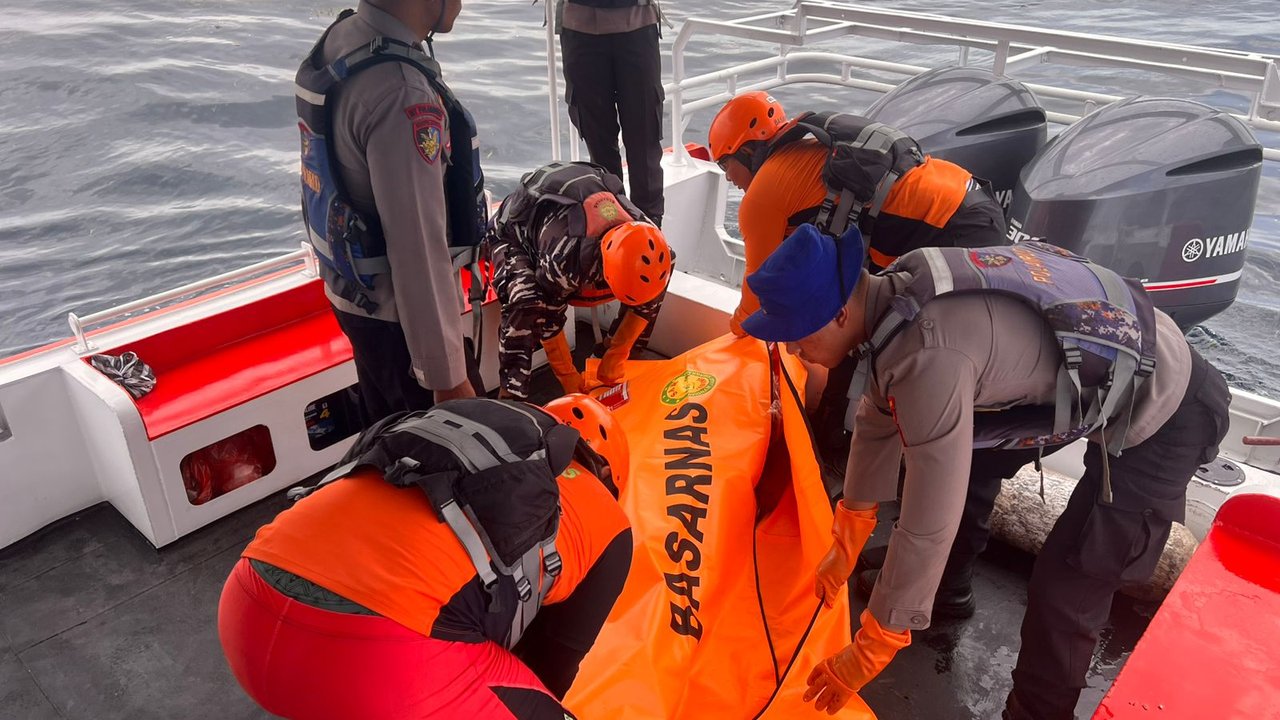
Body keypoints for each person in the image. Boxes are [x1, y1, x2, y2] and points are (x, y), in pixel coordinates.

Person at [739, 225, 1231, 719]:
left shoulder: (930, 352)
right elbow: (878, 409)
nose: (793, 350)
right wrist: (848, 534)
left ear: (839, 314)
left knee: (1067, 586)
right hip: (1104, 372)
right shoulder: (897, 291)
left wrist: (879, 637)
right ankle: (948, 592)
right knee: (964, 461)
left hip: (1167, 407)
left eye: (794, 334)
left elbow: (930, 518)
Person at [217, 394, 632, 719]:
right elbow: (550, 666)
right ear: (609, 475)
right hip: (371, 667)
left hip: (247, 607)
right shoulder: (609, 522)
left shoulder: (464, 435)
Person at [295, 0, 483, 426]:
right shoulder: (402, 93)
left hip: (356, 302)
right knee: (458, 455)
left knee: (391, 435)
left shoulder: (344, 39)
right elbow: (417, 247)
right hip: (403, 328)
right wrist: (448, 379)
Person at [707, 91, 1007, 336]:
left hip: (952, 227)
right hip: (971, 197)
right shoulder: (808, 147)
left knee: (910, 341)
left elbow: (757, 298)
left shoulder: (761, 197)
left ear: (748, 151)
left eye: (724, 164)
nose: (728, 177)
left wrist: (731, 337)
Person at [490, 161, 672, 400]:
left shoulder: (652, 242)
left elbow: (652, 291)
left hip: (578, 230)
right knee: (527, 302)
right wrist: (569, 379)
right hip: (512, 235)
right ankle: (510, 396)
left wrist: (617, 353)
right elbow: (549, 320)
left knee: (652, 290)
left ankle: (616, 356)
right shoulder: (565, 260)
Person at [557, 0, 666, 224]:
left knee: (644, 141)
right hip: (580, 27)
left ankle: (651, 229)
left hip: (638, 25)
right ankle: (612, 228)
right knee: (599, 146)